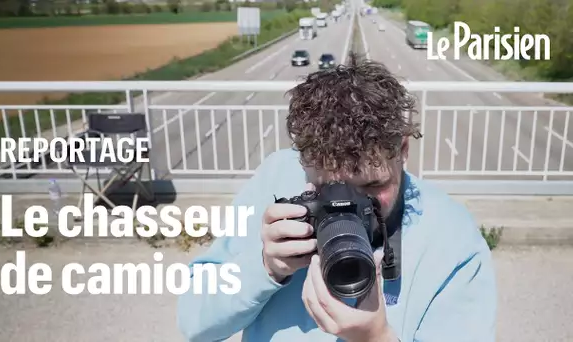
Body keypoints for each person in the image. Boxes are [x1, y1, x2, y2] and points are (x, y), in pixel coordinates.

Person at [176, 57, 497, 342]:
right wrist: (264, 268)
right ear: (302, 164)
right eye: (327, 189)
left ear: (402, 151)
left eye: (372, 185)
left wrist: (375, 338)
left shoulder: (452, 240)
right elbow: (195, 323)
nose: (352, 208)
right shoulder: (275, 180)